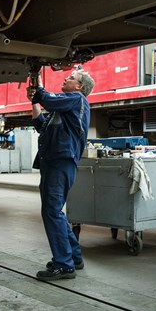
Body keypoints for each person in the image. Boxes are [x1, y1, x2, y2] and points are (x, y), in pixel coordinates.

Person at [27, 70, 94, 281]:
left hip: (60, 162)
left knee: (51, 211)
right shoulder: (64, 111)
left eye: (71, 78)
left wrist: (39, 85)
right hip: (54, 163)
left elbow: (49, 100)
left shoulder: (76, 100)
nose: (66, 79)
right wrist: (33, 101)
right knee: (54, 211)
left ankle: (63, 265)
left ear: (79, 86)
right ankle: (73, 258)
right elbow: (41, 125)